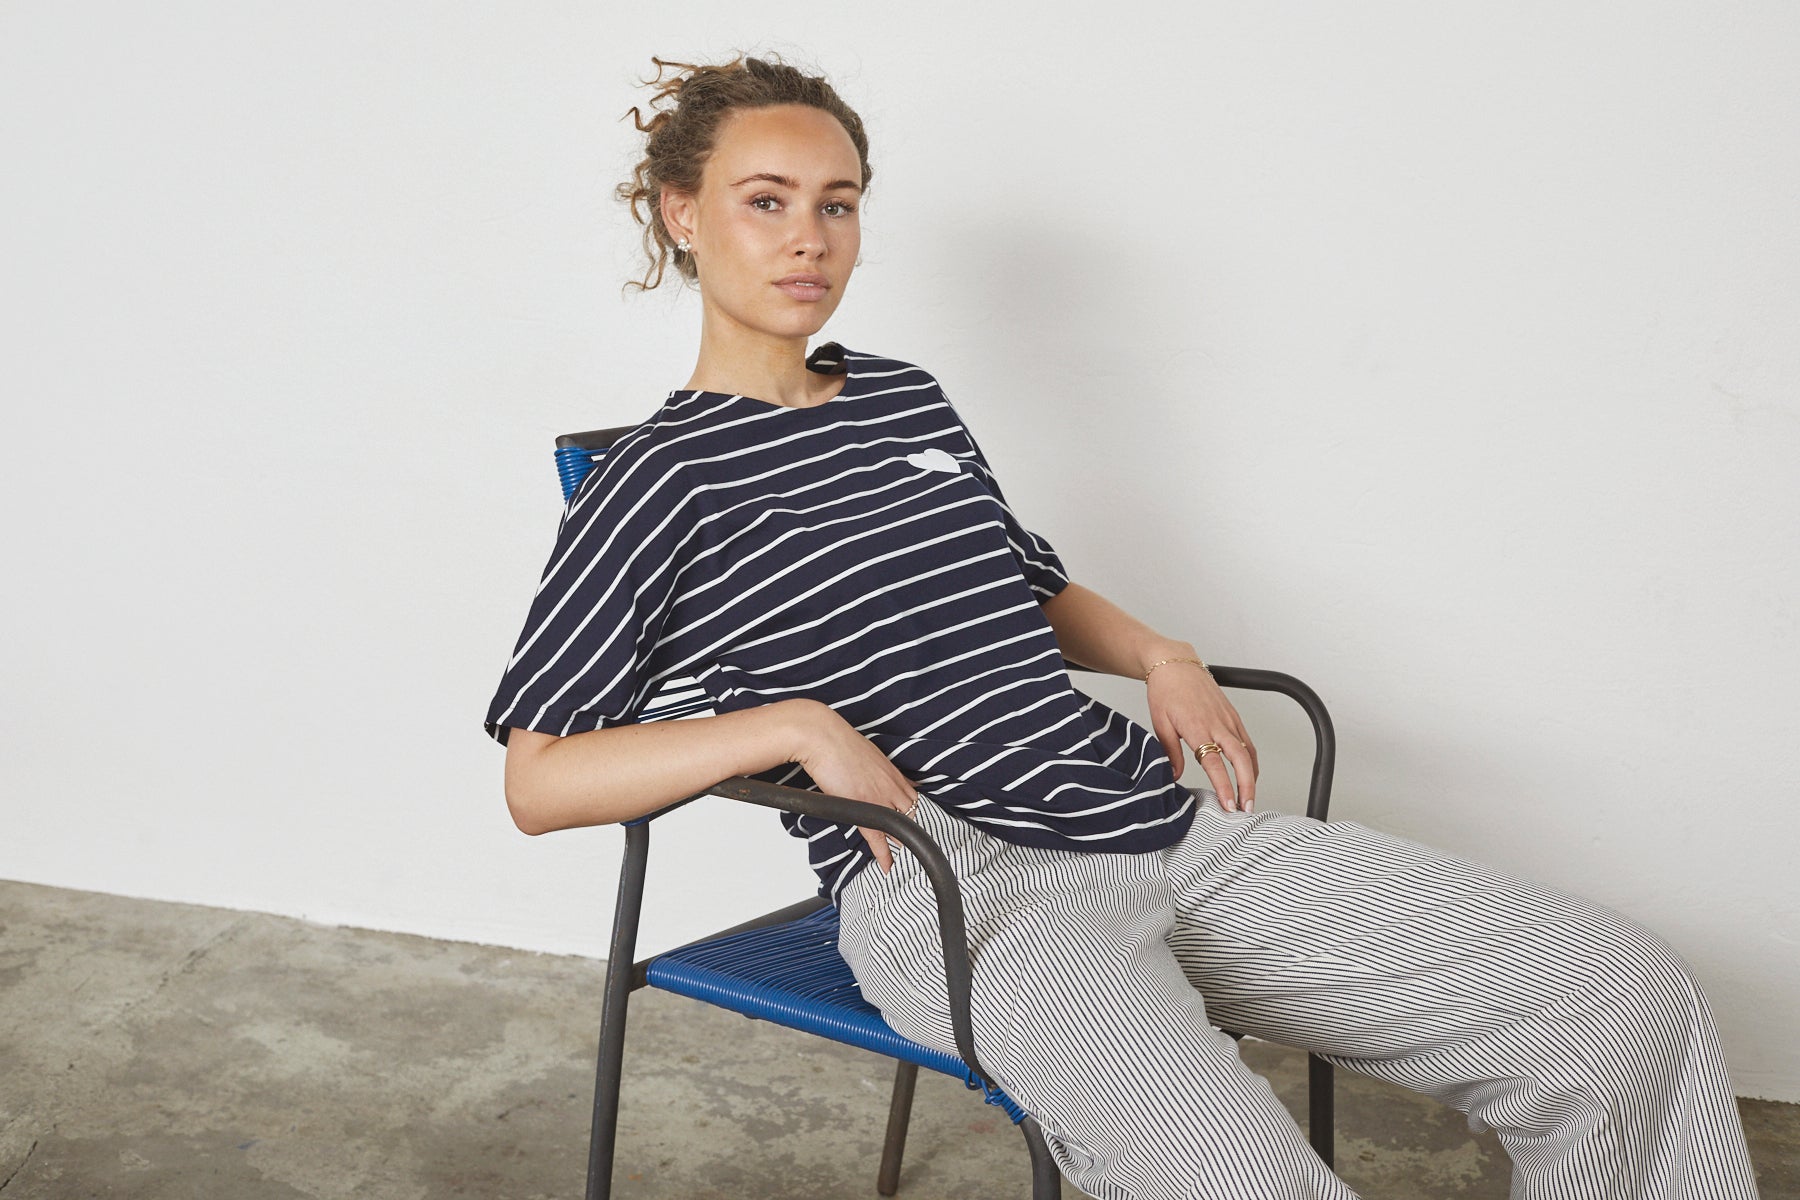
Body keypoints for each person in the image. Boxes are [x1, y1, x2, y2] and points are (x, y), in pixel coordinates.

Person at [483, 53, 1761, 1200]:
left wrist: (1161, 653)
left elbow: (1025, 589)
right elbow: (540, 782)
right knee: (1241, 1181)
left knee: (1620, 996)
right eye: (766, 201)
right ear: (682, 212)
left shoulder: (905, 399)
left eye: (839, 203)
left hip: (1157, 823)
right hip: (959, 892)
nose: (808, 238)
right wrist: (798, 728)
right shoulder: (659, 479)